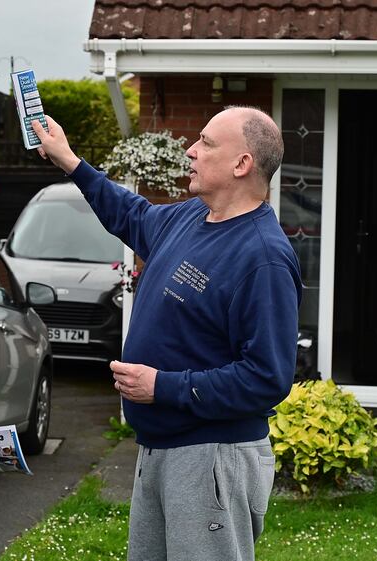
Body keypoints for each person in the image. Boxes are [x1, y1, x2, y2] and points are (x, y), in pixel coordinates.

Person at [32, 106, 302, 561]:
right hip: (159, 450)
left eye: (206, 144)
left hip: (212, 458)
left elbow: (266, 378)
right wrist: (70, 161)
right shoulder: (190, 219)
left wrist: (163, 387)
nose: (191, 151)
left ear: (242, 165)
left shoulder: (264, 258)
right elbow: (130, 213)